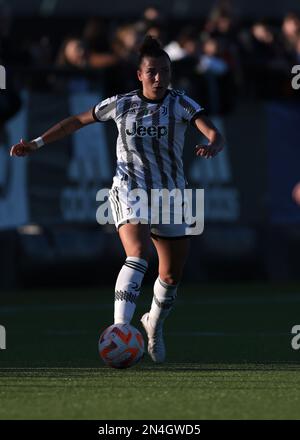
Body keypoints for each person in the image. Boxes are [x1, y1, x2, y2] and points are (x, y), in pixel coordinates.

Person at [10, 36, 224, 363]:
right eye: (152, 71)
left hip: (171, 193)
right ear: (139, 74)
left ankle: (153, 322)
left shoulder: (181, 102)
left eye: (164, 71)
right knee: (137, 254)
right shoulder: (121, 104)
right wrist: (37, 143)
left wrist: (212, 144)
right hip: (130, 188)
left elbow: (213, 132)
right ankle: (120, 329)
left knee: (170, 275)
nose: (159, 77)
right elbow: (75, 122)